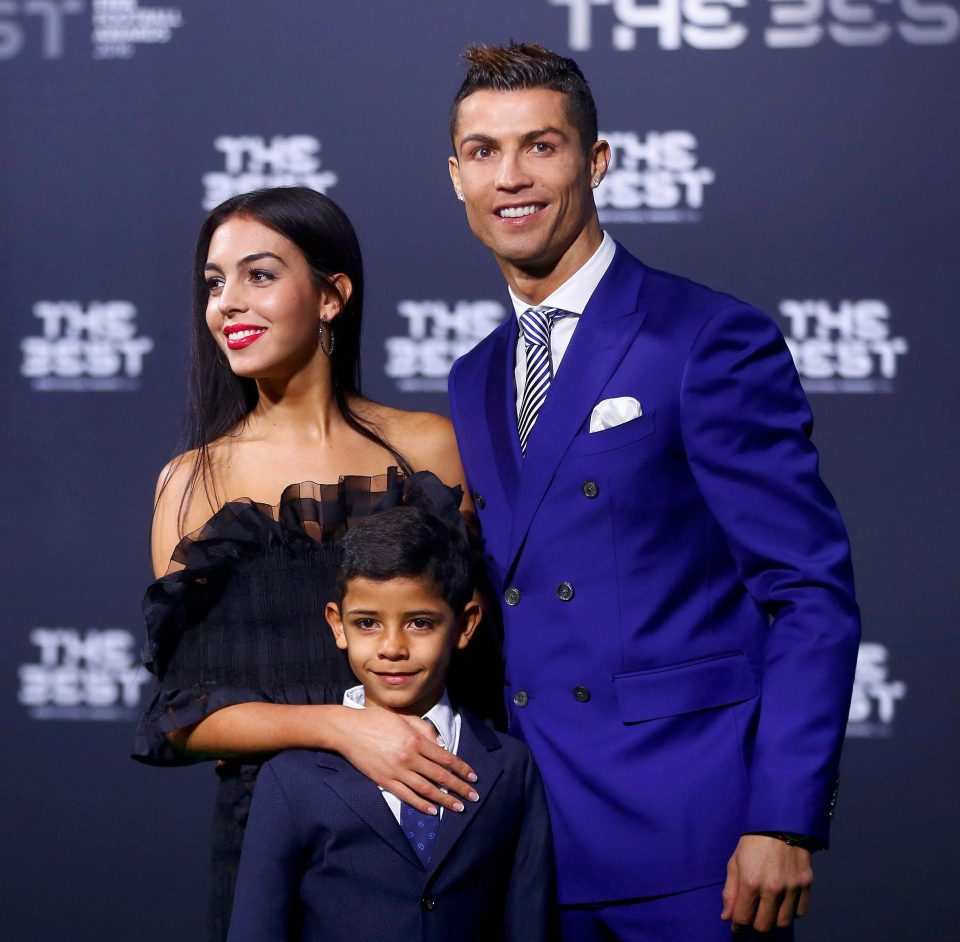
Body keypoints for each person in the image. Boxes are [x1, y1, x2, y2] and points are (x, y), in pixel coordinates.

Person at [445, 42, 861, 940]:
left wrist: (781, 815)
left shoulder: (705, 338)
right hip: (523, 842)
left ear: (595, 162)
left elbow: (807, 591)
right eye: (484, 152)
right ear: (455, 177)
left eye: (541, 146)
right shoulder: (473, 378)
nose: (510, 177)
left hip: (693, 845)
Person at [132, 187, 491, 942]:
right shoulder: (191, 481)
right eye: (214, 282)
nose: (228, 302)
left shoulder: (427, 448)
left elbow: (482, 654)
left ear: (332, 297)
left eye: (258, 275)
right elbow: (180, 717)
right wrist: (343, 728)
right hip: (277, 845)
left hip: (440, 823)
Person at [227, 507, 556, 941]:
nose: (392, 648)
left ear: (465, 624)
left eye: (420, 623)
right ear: (337, 625)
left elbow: (530, 922)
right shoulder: (292, 779)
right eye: (367, 623)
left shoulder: (511, 766)